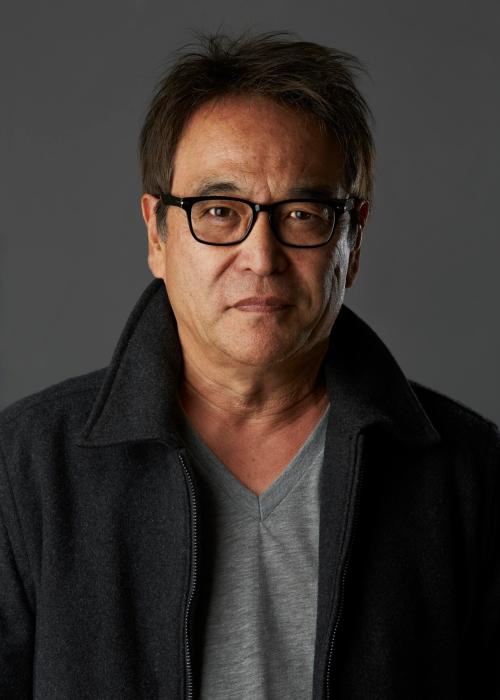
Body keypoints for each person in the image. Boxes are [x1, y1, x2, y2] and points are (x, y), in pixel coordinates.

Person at [0, 31, 498, 700]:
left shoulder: (471, 475)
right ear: (157, 234)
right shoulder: (24, 471)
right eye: (218, 211)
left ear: (352, 242)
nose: (261, 257)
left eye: (302, 214)